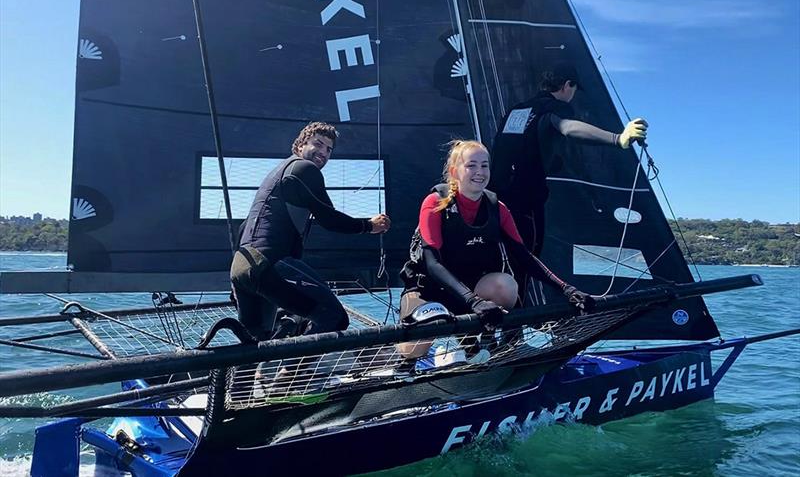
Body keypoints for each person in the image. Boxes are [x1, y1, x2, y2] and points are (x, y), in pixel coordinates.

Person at [398, 140, 592, 360]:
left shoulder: (498, 209)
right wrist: (474, 302)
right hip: (429, 290)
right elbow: (433, 263)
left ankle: (483, 347)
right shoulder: (434, 203)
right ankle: (406, 365)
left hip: (469, 291)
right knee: (426, 332)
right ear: (455, 171)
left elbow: (524, 257)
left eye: (484, 165)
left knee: (506, 285)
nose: (479, 172)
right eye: (471, 165)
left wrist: (567, 289)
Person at [230, 121, 391, 342]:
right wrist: (369, 226)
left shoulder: (277, 174)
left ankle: (257, 374)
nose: (323, 152)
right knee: (333, 318)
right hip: (269, 263)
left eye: (329, 149)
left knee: (259, 340)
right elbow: (329, 218)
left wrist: (239, 280)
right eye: (318, 144)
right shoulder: (305, 169)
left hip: (242, 266)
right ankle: (290, 374)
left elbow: (244, 226)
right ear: (299, 146)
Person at [490, 62, 648, 257]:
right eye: (574, 89)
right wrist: (617, 139)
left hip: (493, 201)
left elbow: (517, 147)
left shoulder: (516, 110)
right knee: (525, 262)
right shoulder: (555, 108)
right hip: (525, 203)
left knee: (499, 261)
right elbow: (567, 127)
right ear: (567, 85)